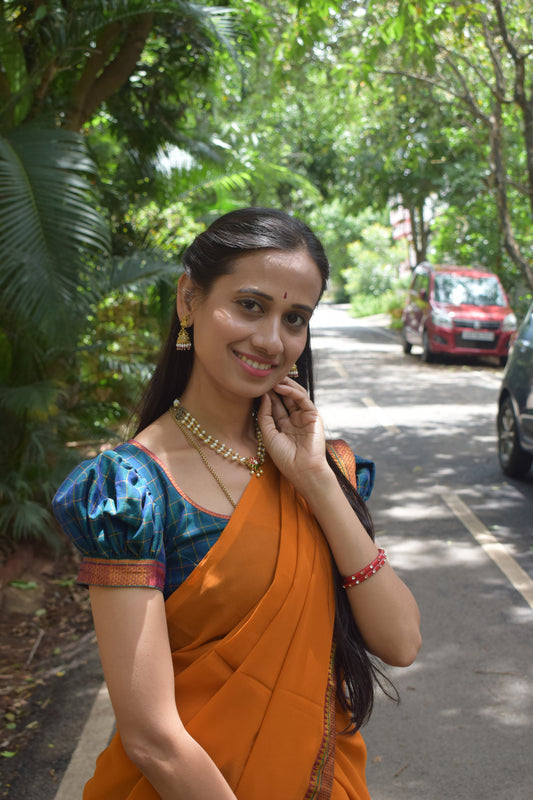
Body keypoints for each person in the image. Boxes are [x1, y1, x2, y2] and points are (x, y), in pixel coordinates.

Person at [52, 207, 421, 800]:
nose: (273, 340)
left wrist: (317, 483)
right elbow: (151, 736)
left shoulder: (319, 469)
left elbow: (401, 642)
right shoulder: (132, 490)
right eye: (250, 305)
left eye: (294, 318)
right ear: (189, 300)